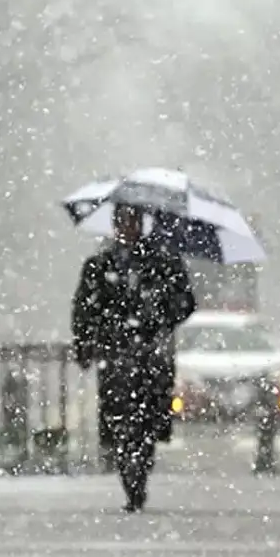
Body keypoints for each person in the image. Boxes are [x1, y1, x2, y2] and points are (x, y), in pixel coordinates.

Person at [71, 203, 196, 512]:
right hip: (116, 356)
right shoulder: (99, 266)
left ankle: (139, 467)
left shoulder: (164, 263)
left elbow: (185, 302)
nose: (128, 228)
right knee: (120, 419)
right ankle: (131, 474)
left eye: (133, 221)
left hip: (151, 357)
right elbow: (84, 310)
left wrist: (158, 313)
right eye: (122, 221)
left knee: (147, 420)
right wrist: (87, 343)